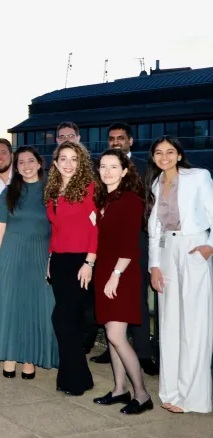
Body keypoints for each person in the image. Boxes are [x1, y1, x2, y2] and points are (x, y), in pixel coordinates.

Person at [146, 136, 213, 414]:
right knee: (169, 325)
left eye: (169, 151)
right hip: (167, 253)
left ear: (179, 154)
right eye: (159, 152)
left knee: (195, 326)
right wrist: (154, 265)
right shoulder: (155, 184)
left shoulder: (198, 176)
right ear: (153, 157)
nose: (164, 157)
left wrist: (209, 246)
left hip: (193, 248)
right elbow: (155, 230)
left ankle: (193, 398)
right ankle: (171, 392)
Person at [91, 122, 159, 376]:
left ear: (130, 140)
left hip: (132, 250)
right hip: (108, 256)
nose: (116, 141)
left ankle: (143, 354)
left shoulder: (144, 169)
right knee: (114, 326)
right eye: (111, 138)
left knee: (136, 304)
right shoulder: (102, 188)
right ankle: (117, 365)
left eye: (121, 137)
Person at [0, 147, 58, 379]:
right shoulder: (9, 192)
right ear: (15, 167)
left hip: (39, 257)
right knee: (9, 307)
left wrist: (50, 260)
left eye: (30, 161)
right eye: (20, 162)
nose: (26, 166)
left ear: (39, 163)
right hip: (10, 255)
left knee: (34, 307)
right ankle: (8, 355)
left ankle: (30, 358)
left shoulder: (52, 191)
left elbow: (58, 230)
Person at [44, 140, 98, 396]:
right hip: (60, 262)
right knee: (69, 321)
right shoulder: (52, 190)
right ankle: (79, 377)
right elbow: (55, 231)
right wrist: (49, 260)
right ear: (55, 163)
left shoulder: (89, 189)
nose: (68, 164)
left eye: (73, 159)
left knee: (61, 318)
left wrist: (90, 261)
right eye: (63, 158)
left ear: (81, 162)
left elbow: (96, 229)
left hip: (80, 261)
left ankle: (74, 379)